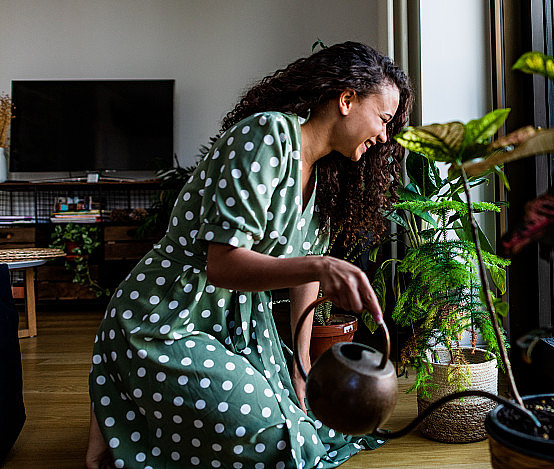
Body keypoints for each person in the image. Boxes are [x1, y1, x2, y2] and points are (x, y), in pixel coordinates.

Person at [85, 41, 412, 469]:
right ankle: (124, 404)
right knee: (274, 440)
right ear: (347, 99)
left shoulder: (326, 179)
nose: (384, 136)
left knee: (306, 427)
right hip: (166, 318)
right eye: (383, 119)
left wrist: (301, 364)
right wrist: (321, 264)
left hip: (237, 327)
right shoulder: (268, 135)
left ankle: (129, 422)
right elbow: (223, 264)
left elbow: (302, 279)